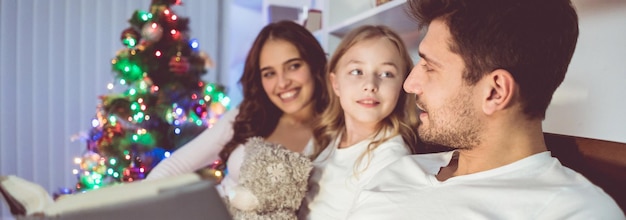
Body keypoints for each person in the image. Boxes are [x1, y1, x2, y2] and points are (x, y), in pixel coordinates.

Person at [346, 0, 625, 219]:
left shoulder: (573, 211)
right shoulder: (399, 170)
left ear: (495, 92)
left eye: (429, 66)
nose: (410, 84)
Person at [146, 20, 329, 200]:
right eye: (269, 73)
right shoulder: (249, 114)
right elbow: (176, 166)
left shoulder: (335, 130)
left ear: (314, 65)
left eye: (293, 66)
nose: (282, 83)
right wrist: (139, 204)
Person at [299, 25, 420, 220]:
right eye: (357, 72)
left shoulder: (391, 161)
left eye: (386, 74)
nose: (370, 85)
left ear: (402, 86)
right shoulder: (325, 136)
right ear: (335, 83)